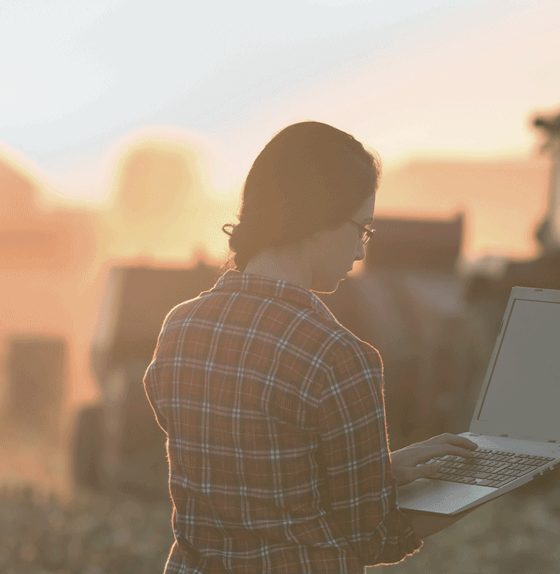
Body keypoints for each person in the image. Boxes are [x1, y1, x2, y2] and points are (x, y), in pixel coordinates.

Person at [143, 121, 479, 573]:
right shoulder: (339, 357)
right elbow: (376, 541)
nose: (361, 253)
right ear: (319, 221)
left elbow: (253, 477)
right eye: (362, 228)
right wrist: (476, 489)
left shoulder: (179, 329)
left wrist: (377, 471)